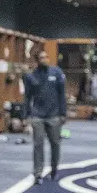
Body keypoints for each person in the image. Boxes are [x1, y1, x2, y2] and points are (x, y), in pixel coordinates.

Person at [24, 50, 67, 184]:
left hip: (54, 115)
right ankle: (37, 173)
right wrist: (26, 116)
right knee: (38, 145)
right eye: (42, 57)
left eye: (46, 57)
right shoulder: (31, 77)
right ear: (37, 60)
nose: (45, 59)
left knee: (55, 144)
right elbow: (27, 97)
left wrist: (63, 113)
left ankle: (54, 169)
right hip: (38, 116)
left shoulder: (56, 73)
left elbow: (62, 94)